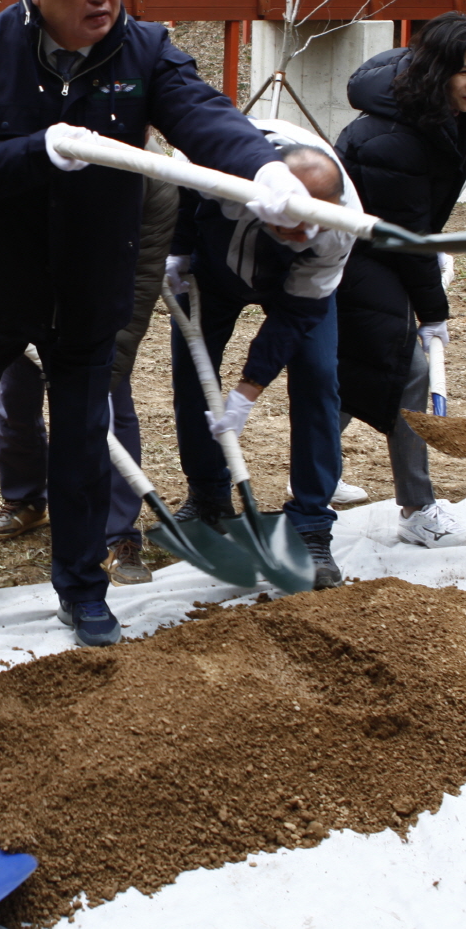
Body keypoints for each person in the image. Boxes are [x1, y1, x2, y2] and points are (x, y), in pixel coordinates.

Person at [0, 0, 314, 646]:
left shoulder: (145, 49)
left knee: (81, 438)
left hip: (89, 283)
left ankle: (82, 585)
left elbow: (202, 116)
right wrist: (41, 149)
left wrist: (267, 169)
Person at [333, 11, 466, 549]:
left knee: (353, 373)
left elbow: (414, 222)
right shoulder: (394, 135)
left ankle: (314, 471)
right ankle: (417, 508)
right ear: (436, 73)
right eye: (464, 72)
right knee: (406, 369)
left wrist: (431, 250)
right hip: (346, 257)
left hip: (381, 252)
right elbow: (402, 233)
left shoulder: (438, 115)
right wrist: (433, 311)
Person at [165, 126, 356, 585]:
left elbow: (295, 317)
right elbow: (183, 188)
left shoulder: (339, 231)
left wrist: (247, 392)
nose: (297, 234)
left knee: (316, 375)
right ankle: (209, 496)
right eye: (286, 225)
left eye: (306, 227)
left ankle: (310, 523)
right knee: (194, 373)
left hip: (291, 284)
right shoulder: (220, 167)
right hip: (212, 267)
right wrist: (179, 250)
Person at [0, 172, 180, 587]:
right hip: (30, 289)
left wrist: (115, 359)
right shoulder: (43, 154)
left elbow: (144, 274)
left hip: (96, 309)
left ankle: (118, 534)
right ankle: (25, 500)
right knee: (17, 397)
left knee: (113, 411)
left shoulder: (156, 185)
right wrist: (11, 308)